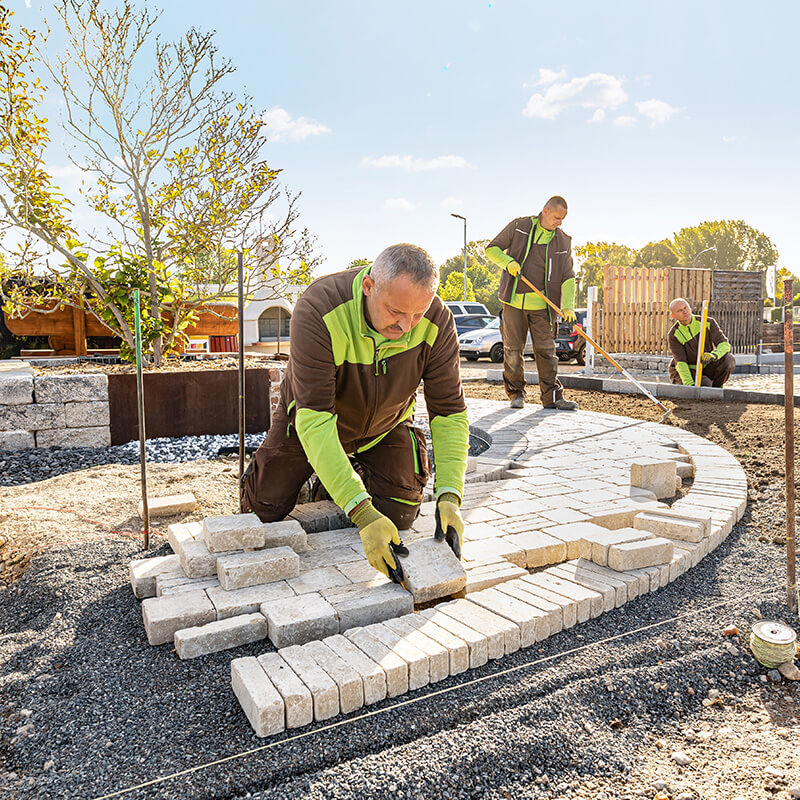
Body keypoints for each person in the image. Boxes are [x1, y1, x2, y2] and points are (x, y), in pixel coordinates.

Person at [241, 244, 469, 583]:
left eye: (417, 314)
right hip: (310, 425)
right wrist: (362, 514)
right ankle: (320, 478)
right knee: (263, 509)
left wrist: (451, 496)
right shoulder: (318, 309)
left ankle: (336, 484)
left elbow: (449, 412)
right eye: (395, 312)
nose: (407, 326)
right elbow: (315, 421)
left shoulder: (438, 320)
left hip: (385, 426)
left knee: (400, 515)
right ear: (369, 287)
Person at [485, 196, 578, 410]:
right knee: (512, 349)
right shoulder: (520, 227)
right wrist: (508, 263)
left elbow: (568, 275)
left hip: (543, 306)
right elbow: (492, 249)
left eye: (563, 219)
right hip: (514, 302)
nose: (559, 223)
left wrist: (568, 305)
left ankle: (553, 397)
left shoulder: (563, 241)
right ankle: (516, 394)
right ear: (545, 211)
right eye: (557, 217)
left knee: (547, 351)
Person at [667, 297, 735, 387]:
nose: (685, 311)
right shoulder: (674, 335)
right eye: (680, 310)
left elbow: (725, 345)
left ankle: (717, 388)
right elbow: (681, 363)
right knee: (705, 384)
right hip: (688, 370)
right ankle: (707, 387)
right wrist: (689, 385)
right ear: (673, 316)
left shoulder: (708, 322)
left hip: (706, 366)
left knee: (729, 359)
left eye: (686, 307)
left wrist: (713, 355)